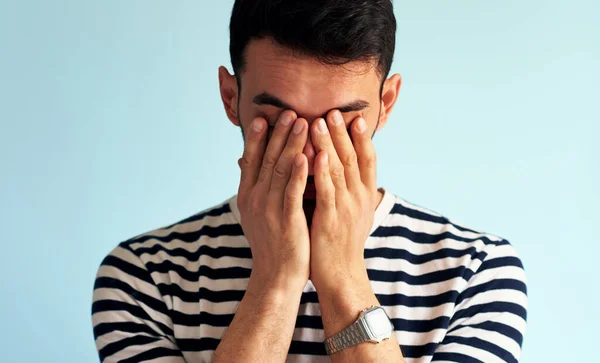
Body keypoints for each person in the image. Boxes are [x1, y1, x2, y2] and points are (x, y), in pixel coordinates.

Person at [91, 0, 528, 362]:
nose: (310, 151)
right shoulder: (142, 277)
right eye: (281, 119)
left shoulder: (477, 271)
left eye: (342, 121)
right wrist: (276, 278)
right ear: (231, 97)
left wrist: (342, 275)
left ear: (386, 103)